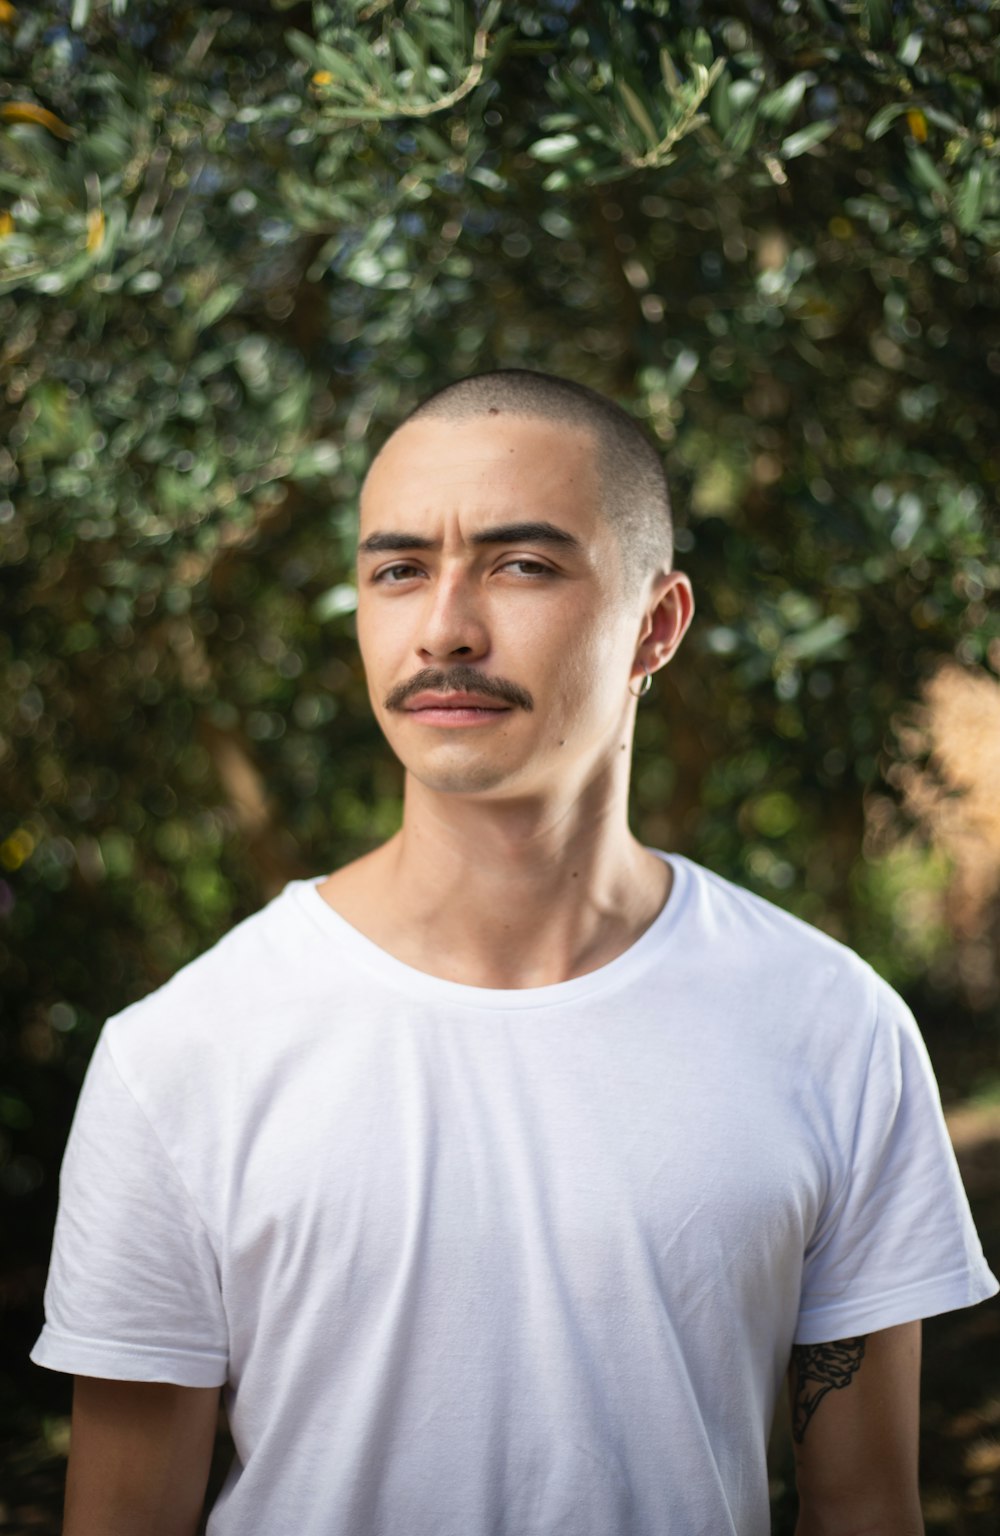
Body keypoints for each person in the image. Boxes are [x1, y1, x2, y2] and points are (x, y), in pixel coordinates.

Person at [32, 370, 996, 1536]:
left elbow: (865, 1509)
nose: (443, 627)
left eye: (521, 565)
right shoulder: (182, 1056)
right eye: (397, 570)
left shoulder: (832, 1028)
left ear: (656, 624)